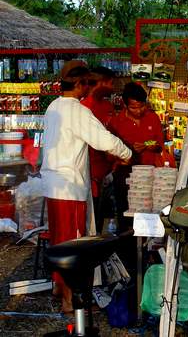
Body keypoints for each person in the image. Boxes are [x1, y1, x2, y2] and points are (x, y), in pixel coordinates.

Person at [41, 60, 132, 313]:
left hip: (53, 184)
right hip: (69, 187)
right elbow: (102, 139)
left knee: (60, 241)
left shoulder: (53, 108)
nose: (88, 88)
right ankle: (71, 300)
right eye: (87, 83)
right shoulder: (77, 110)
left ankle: (59, 288)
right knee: (75, 244)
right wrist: (126, 153)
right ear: (79, 83)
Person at [109, 82, 164, 227]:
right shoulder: (116, 122)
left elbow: (159, 142)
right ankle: (127, 247)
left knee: (148, 216)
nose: (139, 111)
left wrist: (148, 145)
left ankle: (146, 246)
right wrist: (128, 150)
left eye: (141, 106)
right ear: (125, 105)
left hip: (149, 173)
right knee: (125, 215)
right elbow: (109, 152)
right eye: (134, 107)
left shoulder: (152, 118)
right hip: (125, 174)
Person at [80, 66, 116, 232]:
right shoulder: (83, 108)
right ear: (101, 83)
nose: (113, 87)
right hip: (91, 173)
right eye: (110, 83)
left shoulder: (108, 106)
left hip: (108, 172)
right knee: (92, 218)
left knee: (105, 217)